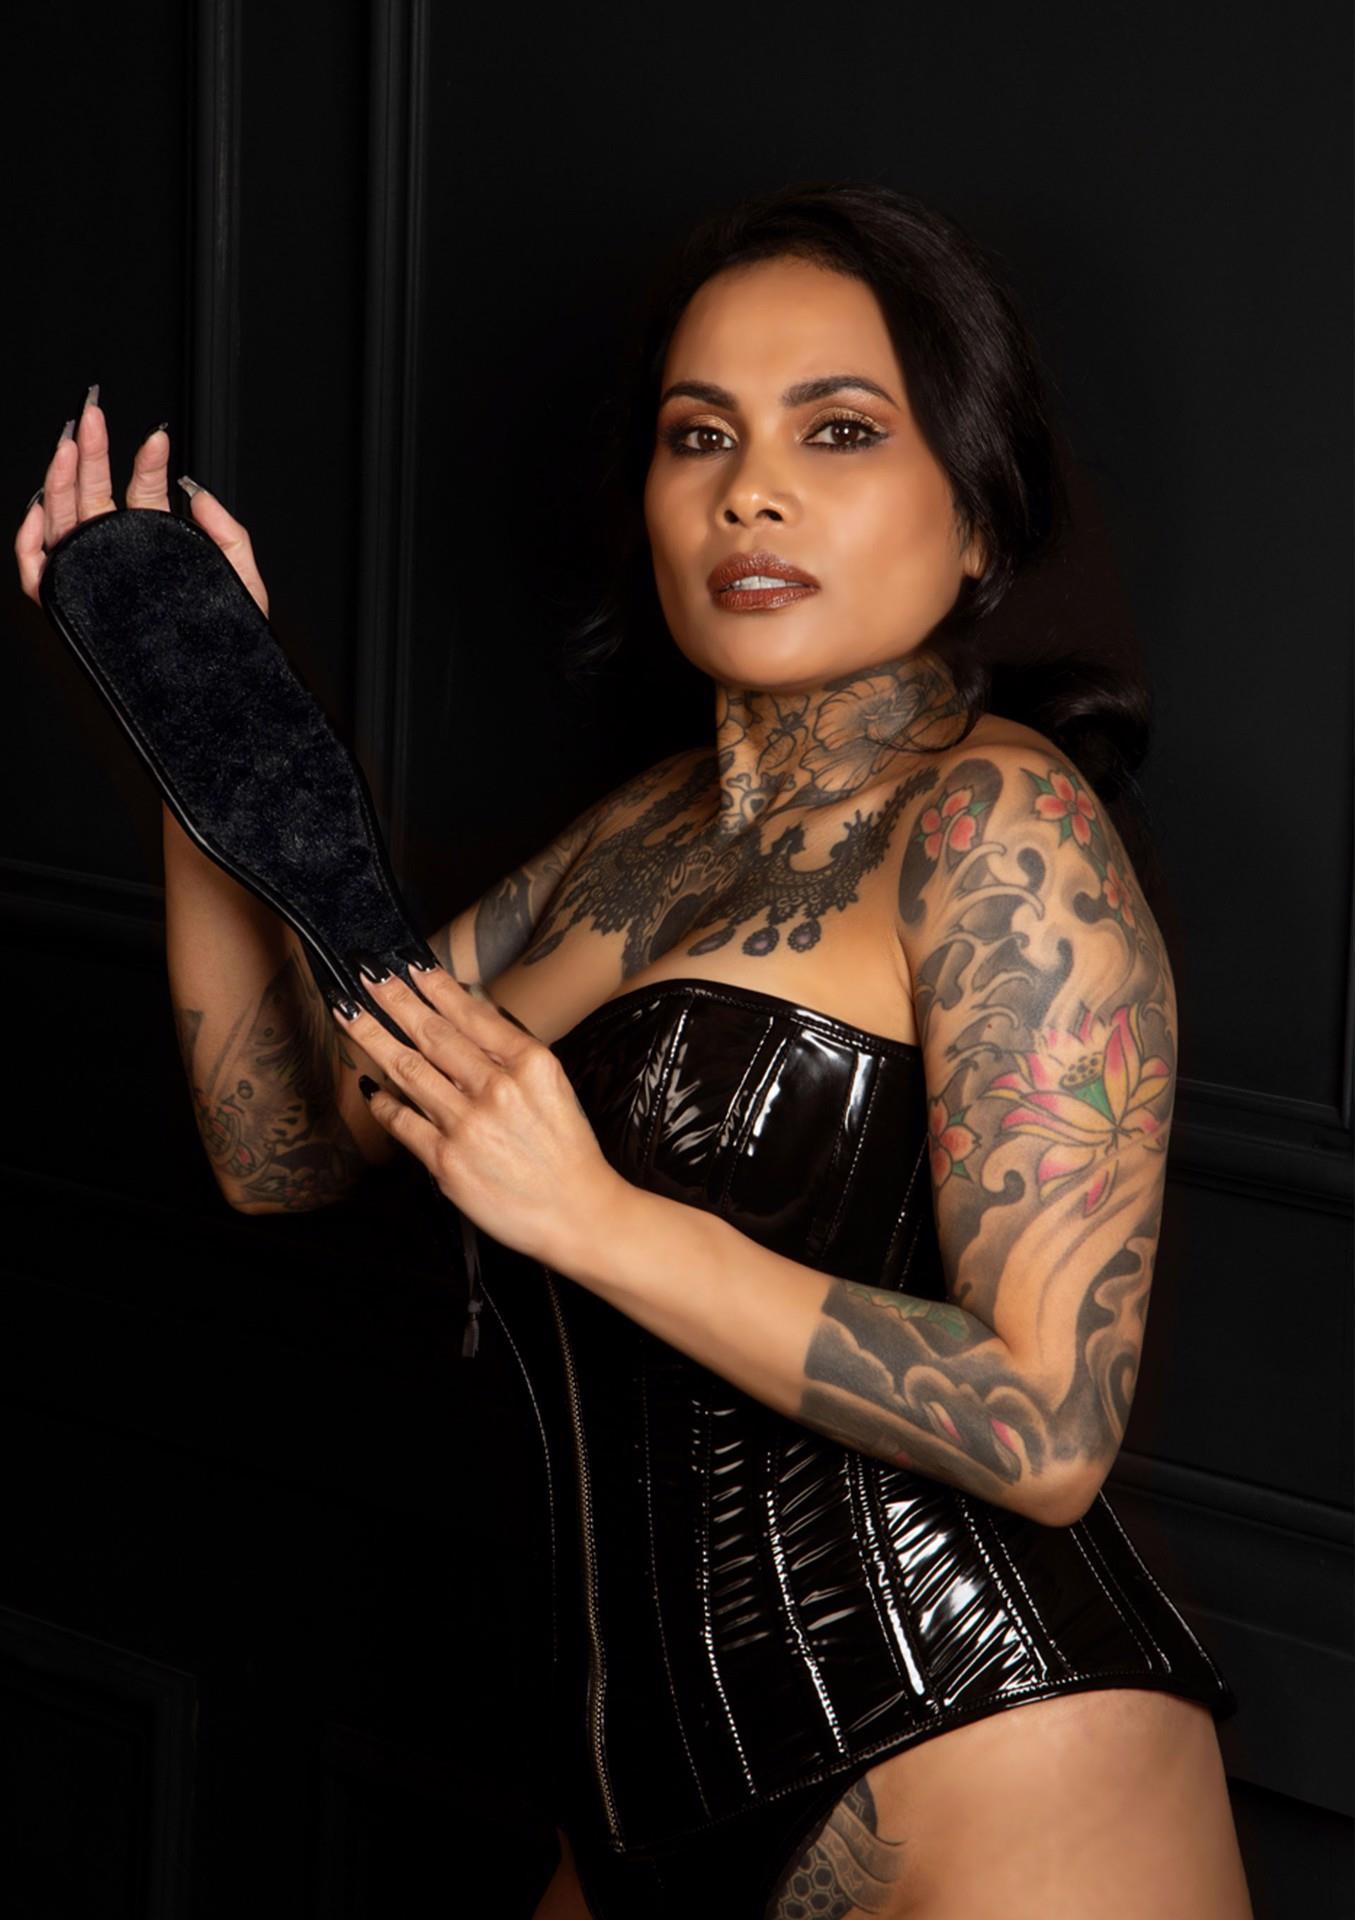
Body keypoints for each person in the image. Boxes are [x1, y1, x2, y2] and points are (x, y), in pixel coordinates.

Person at [15, 181, 1254, 1919]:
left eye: (839, 429)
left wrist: (588, 1214)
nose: (752, 489)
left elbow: (1049, 1421)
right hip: (632, 1799)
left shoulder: (997, 824)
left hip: (989, 1758)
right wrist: (204, 728)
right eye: (700, 435)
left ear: (978, 517)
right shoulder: (624, 847)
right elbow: (284, 1145)